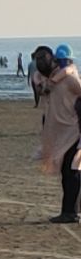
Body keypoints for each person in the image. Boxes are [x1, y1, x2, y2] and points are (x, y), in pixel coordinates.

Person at [34, 45, 81, 223]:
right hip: (61, 134)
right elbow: (38, 79)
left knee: (72, 172)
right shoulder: (50, 80)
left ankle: (70, 213)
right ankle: (69, 210)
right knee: (67, 173)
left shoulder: (69, 79)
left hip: (74, 132)